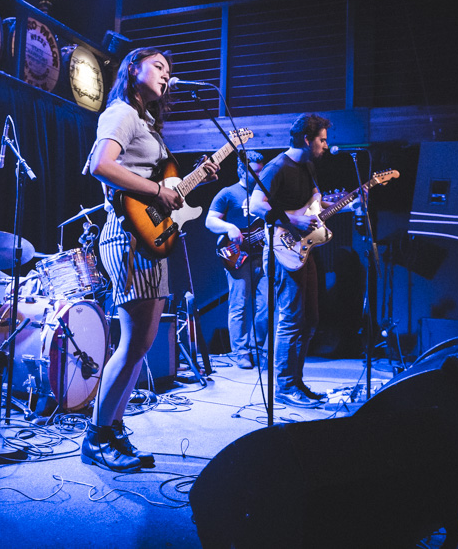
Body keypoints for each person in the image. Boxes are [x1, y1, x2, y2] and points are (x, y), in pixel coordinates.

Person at [82, 47, 218, 472]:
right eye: (158, 66)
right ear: (133, 69)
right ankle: (96, 436)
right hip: (126, 238)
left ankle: (113, 427)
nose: (165, 74)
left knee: (141, 344)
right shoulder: (120, 111)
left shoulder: (145, 123)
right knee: (132, 342)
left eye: (169, 68)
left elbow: (160, 190)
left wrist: (180, 185)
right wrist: (159, 192)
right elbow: (100, 165)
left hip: (148, 238)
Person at [250, 113, 354, 408]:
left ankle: (296, 382)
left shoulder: (308, 166)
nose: (326, 144)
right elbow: (255, 203)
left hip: (304, 251)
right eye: (322, 139)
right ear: (307, 140)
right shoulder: (277, 166)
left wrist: (349, 202)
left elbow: (315, 207)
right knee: (292, 320)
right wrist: (292, 218)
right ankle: (283, 387)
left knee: (310, 319)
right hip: (283, 251)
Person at [205, 151, 269, 370]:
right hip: (237, 256)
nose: (261, 175)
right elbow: (210, 221)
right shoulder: (228, 193)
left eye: (262, 170)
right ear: (243, 169)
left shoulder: (265, 193)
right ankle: (241, 352)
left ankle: (258, 349)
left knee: (265, 305)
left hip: (263, 254)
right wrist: (229, 227)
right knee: (239, 304)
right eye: (256, 171)